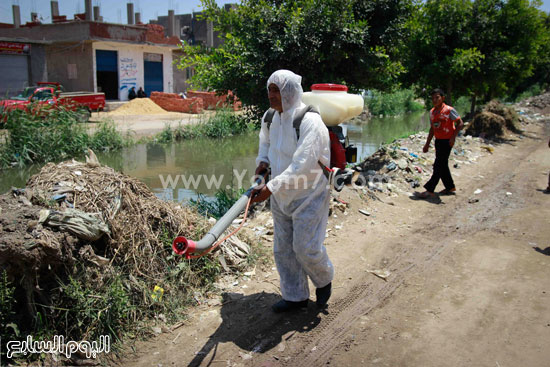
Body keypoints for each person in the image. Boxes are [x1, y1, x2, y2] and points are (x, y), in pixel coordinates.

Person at [251, 69, 334, 313]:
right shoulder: (270, 118)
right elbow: (265, 142)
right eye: (270, 90)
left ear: (289, 91)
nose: (271, 95)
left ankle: (324, 278)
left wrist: (270, 188)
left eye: (277, 90)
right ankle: (295, 296)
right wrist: (263, 162)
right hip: (281, 194)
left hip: (309, 194)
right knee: (283, 248)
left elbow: (301, 166)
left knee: (305, 247)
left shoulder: (310, 122)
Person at [416, 88, 464, 199]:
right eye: (433, 98)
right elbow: (432, 129)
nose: (434, 100)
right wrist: (427, 144)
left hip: (447, 141)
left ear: (442, 98)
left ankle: (430, 189)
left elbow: (460, 123)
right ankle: (450, 187)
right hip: (438, 141)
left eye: (437, 97)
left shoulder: (449, 110)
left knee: (438, 164)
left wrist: (453, 138)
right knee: (442, 164)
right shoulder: (432, 112)